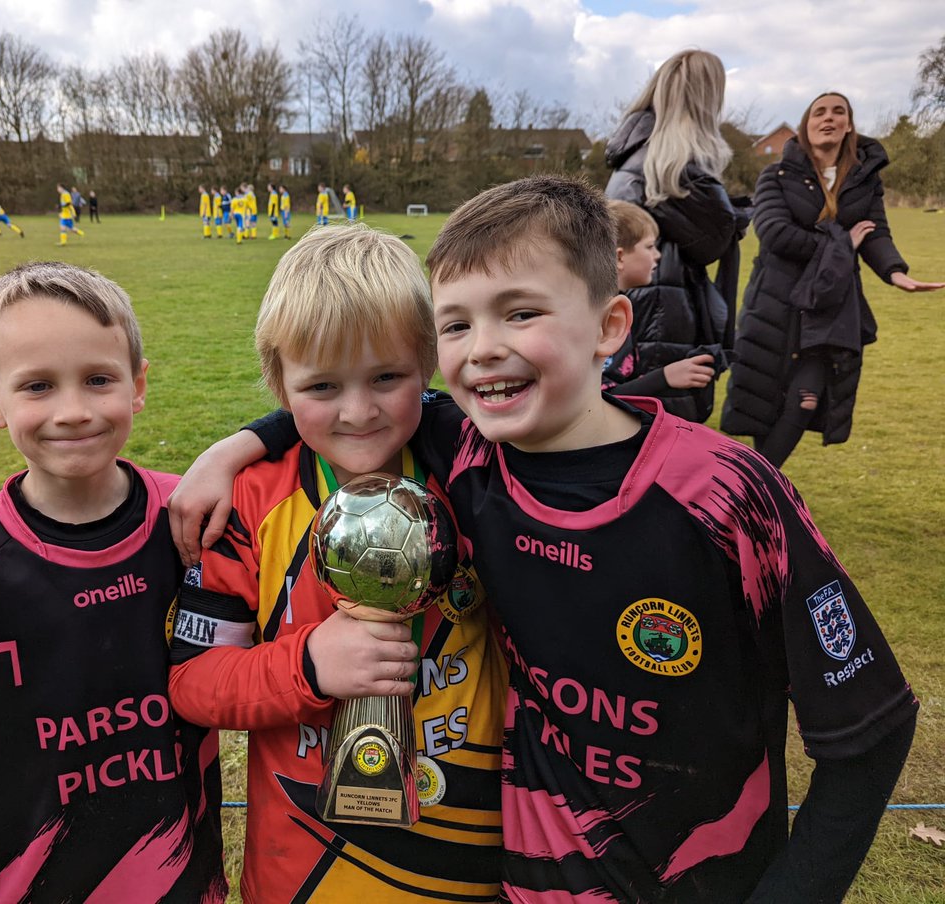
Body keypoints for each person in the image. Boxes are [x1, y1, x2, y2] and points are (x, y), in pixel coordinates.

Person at [173, 175, 917, 903]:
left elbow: (869, 731)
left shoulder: (700, 489)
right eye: (459, 324)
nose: (486, 348)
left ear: (610, 326)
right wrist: (236, 449)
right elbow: (340, 394)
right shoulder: (432, 461)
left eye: (520, 313)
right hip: (417, 879)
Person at [168, 224, 505, 903]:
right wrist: (308, 665)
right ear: (279, 384)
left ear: (428, 364)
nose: (359, 412)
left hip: (471, 856)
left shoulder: (481, 473)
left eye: (387, 377)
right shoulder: (247, 503)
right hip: (308, 871)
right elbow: (194, 683)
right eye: (322, 386)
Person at [0, 261, 228, 903]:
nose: (73, 411)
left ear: (138, 385)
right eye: (37, 386)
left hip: (180, 883)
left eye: (99, 380)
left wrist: (239, 448)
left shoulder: (189, 520)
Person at [721, 92, 945, 468]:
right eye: (819, 112)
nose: (828, 117)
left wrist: (895, 272)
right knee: (768, 402)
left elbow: (874, 232)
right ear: (807, 128)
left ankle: (753, 494)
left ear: (849, 125)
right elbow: (775, 234)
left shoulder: (863, 180)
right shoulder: (775, 175)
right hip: (778, 302)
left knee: (806, 398)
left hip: (832, 307)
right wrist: (842, 241)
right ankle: (756, 501)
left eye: (838, 111)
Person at [604, 49, 748, 423]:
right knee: (654, 426)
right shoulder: (672, 170)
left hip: (647, 310)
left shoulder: (634, 160)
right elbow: (713, 240)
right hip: (659, 317)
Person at [602, 199, 716, 399]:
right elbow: (599, 400)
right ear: (619, 257)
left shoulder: (609, 303)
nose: (657, 255)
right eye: (649, 246)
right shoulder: (602, 316)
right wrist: (665, 377)